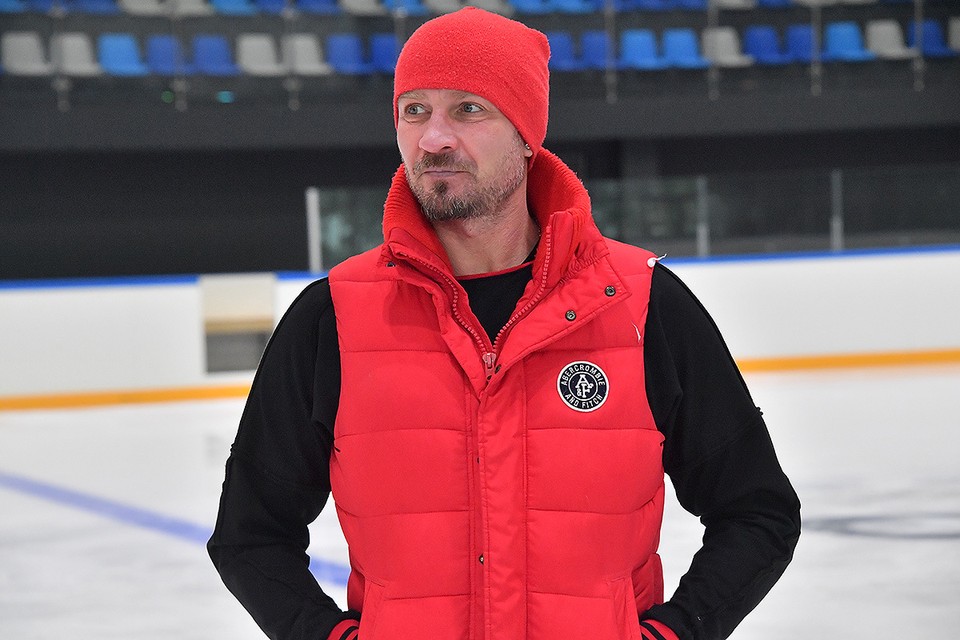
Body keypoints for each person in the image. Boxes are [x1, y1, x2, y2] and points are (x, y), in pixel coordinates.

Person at [208, 8, 801, 640]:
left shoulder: (640, 304)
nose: (434, 138)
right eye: (414, 110)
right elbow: (251, 535)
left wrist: (675, 632)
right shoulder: (333, 317)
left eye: (468, 109)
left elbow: (757, 511)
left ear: (526, 136)